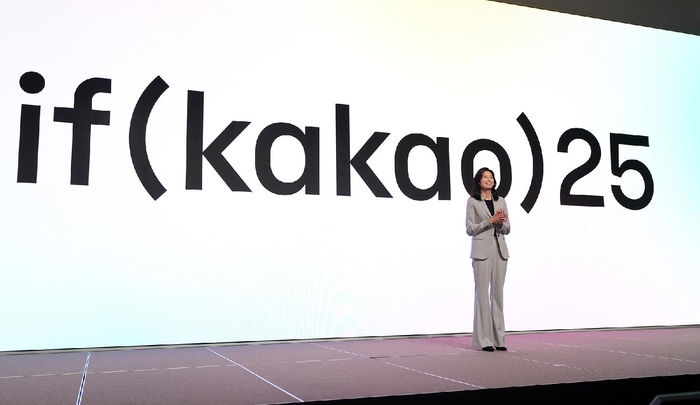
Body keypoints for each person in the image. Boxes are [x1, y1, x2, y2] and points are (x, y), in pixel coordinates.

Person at [466, 167, 510, 352]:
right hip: (481, 251)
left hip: (500, 250)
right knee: (482, 295)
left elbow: (507, 229)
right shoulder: (472, 202)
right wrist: (490, 221)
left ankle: (499, 339)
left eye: (491, 177)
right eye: (485, 177)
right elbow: (470, 229)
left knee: (498, 295)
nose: (489, 179)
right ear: (479, 181)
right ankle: (484, 340)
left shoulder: (501, 200)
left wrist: (500, 223)